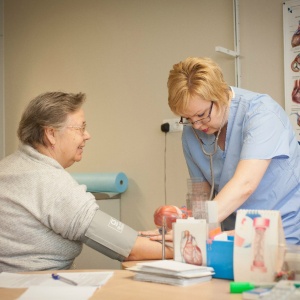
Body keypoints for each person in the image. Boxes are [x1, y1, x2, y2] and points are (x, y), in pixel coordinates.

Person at [0, 91, 173, 272]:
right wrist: (186, 246)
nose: (87, 135)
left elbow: (123, 239)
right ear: (51, 134)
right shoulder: (48, 180)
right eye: (80, 128)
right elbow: (129, 249)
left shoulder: (9, 167)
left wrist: (140, 239)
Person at [166, 56, 300, 245]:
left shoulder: (262, 114)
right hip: (234, 234)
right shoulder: (191, 134)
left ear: (220, 94)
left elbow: (245, 184)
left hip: (282, 230)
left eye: (201, 115)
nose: (196, 125)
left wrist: (195, 227)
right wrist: (188, 221)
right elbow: (200, 193)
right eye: (187, 118)